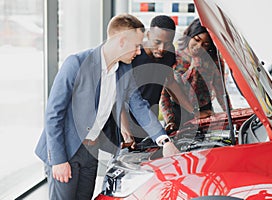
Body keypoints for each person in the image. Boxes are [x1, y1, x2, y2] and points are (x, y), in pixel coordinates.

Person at [34, 14, 179, 200]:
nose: (138, 51)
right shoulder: (76, 63)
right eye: (136, 46)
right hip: (66, 150)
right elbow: (53, 114)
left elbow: (139, 106)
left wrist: (164, 141)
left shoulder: (124, 70)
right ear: (121, 41)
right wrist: (58, 160)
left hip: (91, 151)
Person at [120, 15, 197, 148]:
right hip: (126, 125)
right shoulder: (133, 56)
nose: (162, 48)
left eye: (167, 43)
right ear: (148, 35)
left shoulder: (169, 53)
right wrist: (126, 132)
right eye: (157, 42)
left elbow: (171, 83)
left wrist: (194, 112)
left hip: (151, 124)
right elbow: (119, 98)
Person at [160, 18, 230, 131]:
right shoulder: (173, 57)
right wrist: (170, 120)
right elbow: (164, 95)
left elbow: (221, 91)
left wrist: (230, 114)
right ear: (189, 35)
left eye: (205, 44)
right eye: (196, 40)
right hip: (178, 113)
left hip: (204, 111)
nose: (199, 46)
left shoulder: (214, 61)